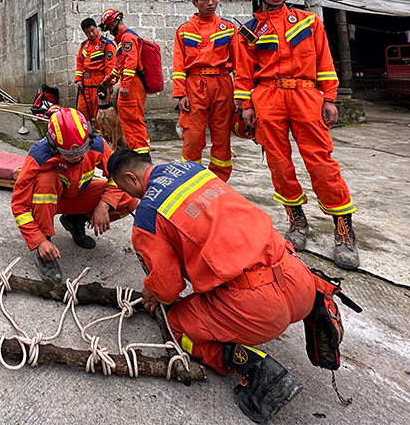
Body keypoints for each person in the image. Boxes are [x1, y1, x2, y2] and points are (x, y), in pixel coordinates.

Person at [107, 149, 315, 424]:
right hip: (299, 278)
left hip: (260, 309)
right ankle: (322, 311)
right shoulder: (193, 170)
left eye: (127, 190)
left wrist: (152, 291)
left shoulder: (147, 215)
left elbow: (168, 289)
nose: (133, 198)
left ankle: (257, 370)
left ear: (131, 179)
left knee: (177, 324)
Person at [234, 0, 359, 269]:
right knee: (278, 161)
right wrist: (246, 106)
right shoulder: (249, 31)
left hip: (306, 95)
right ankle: (296, 221)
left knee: (321, 160)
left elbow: (324, 61)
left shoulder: (309, 22)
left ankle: (344, 230)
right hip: (268, 98)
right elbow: (242, 73)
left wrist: (329, 98)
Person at [11, 106, 137, 282]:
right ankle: (45, 250)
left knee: (130, 198)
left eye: (82, 150)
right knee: (46, 182)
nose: (78, 157)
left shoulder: (97, 144)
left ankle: (75, 220)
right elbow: (19, 205)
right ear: (54, 148)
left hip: (76, 196)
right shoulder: (39, 156)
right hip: (47, 204)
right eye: (70, 154)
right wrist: (38, 240)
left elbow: (118, 176)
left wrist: (105, 204)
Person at [173, 0, 236, 181]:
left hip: (222, 83)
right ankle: (190, 179)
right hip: (194, 85)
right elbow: (178, 65)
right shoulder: (184, 30)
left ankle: (220, 180)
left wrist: (243, 96)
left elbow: (240, 64)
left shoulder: (228, 28)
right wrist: (180, 94)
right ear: (195, 3)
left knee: (222, 135)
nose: (211, 3)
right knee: (192, 135)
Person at [100, 9, 150, 156]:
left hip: (132, 86)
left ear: (115, 22)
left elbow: (130, 63)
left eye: (109, 27)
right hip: (128, 84)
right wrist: (108, 80)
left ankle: (142, 158)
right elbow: (118, 67)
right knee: (128, 123)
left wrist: (126, 85)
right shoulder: (122, 40)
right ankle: (135, 154)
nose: (109, 31)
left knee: (134, 122)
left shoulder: (128, 37)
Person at [74, 17, 117, 129]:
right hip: (85, 86)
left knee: (100, 115)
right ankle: (86, 137)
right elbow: (79, 63)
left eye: (93, 30)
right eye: (88, 32)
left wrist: (110, 84)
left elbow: (110, 66)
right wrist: (78, 80)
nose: (91, 34)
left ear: (97, 28)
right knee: (81, 112)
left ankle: (102, 142)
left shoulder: (107, 44)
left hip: (100, 86)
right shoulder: (84, 46)